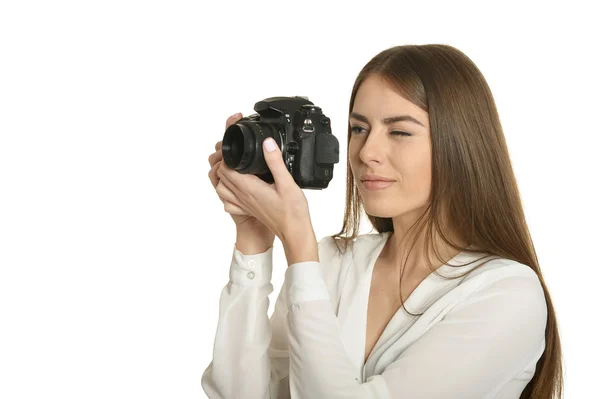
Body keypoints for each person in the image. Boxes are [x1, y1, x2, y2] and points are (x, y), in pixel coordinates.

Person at [202, 44, 563, 399]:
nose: (367, 153)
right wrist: (254, 240)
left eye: (399, 132)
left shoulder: (508, 295)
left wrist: (297, 243)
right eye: (359, 129)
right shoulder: (332, 261)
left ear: (460, 144)